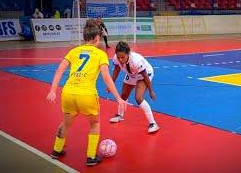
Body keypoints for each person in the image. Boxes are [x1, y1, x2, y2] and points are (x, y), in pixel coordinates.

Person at [46, 19, 127, 166]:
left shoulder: (73, 51)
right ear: (97, 38)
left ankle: (56, 151)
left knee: (66, 123)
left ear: (84, 38)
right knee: (94, 124)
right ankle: (90, 157)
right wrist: (118, 98)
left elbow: (59, 70)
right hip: (87, 94)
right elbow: (106, 77)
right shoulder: (100, 54)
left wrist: (52, 90)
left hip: (68, 92)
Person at [108, 41, 160, 133]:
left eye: (123, 57)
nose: (120, 59)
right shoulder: (116, 58)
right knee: (123, 95)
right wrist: (111, 84)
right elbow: (116, 69)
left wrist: (151, 90)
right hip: (132, 73)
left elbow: (145, 75)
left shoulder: (136, 60)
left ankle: (153, 124)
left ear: (128, 54)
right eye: (119, 57)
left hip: (145, 74)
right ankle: (120, 116)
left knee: (138, 98)